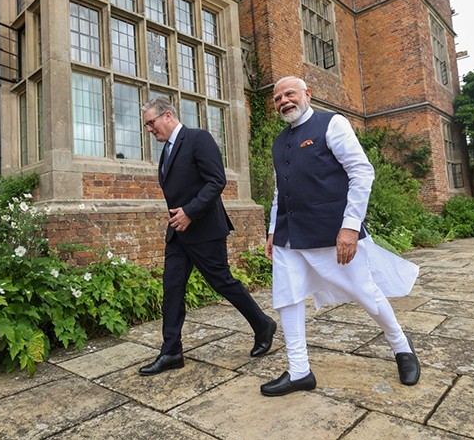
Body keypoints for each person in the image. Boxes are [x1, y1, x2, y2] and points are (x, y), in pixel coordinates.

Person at [260, 77, 421, 396]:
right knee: (287, 297)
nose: (283, 101)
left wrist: (350, 226)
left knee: (365, 291)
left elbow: (361, 172)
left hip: (330, 230)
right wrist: (272, 230)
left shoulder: (332, 124)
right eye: (277, 98)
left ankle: (401, 346)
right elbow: (281, 189)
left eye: (289, 94)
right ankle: (299, 370)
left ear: (307, 94)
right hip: (288, 234)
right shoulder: (279, 142)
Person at [139, 96, 277, 375]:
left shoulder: (197, 139)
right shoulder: (167, 151)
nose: (149, 129)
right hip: (178, 234)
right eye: (146, 126)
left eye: (151, 123)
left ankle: (263, 325)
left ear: (168, 116)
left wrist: (190, 212)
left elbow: (216, 181)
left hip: (204, 230)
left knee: (222, 282)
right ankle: (171, 351)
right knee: (172, 289)